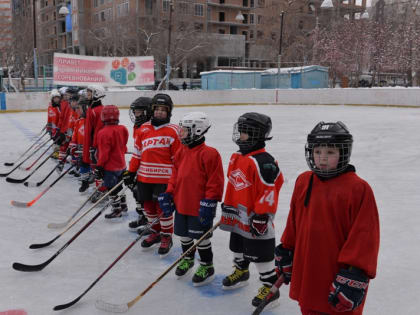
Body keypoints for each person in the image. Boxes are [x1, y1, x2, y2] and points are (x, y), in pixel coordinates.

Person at [275, 121, 380, 315]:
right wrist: (287, 248)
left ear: (344, 153)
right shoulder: (304, 181)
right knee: (308, 307)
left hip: (336, 278)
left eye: (330, 153)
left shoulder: (358, 189)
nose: (322, 159)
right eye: (317, 152)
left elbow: (365, 236)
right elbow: (294, 219)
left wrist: (355, 274)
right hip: (308, 271)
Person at [220, 112, 284, 309]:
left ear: (258, 135)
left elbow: (270, 189)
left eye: (245, 133)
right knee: (237, 247)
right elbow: (233, 184)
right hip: (237, 215)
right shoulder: (237, 156)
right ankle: (241, 272)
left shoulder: (263, 160)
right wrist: (228, 204)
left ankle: (270, 287)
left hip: (255, 219)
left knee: (260, 254)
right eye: (240, 132)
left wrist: (262, 215)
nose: (241, 136)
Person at [158, 112, 224, 286]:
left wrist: (210, 202)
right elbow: (175, 175)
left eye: (185, 131)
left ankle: (206, 266)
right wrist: (169, 193)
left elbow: (215, 182)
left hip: (199, 206)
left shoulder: (209, 154)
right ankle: (187, 259)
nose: (181, 134)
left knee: (202, 238)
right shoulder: (181, 151)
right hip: (181, 204)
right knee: (184, 236)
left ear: (198, 131)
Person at [124, 93, 181, 257]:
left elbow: (177, 161)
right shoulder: (144, 129)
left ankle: (166, 236)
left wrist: (174, 182)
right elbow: (137, 154)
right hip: (144, 177)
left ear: (169, 112)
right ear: (152, 110)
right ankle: (155, 232)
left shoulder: (174, 131)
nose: (160, 112)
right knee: (148, 208)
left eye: (164, 110)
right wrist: (131, 172)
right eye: (157, 109)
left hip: (164, 180)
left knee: (162, 209)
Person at [94, 105, 129, 218]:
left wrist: (99, 166)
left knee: (111, 189)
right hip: (122, 165)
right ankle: (123, 205)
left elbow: (104, 154)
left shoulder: (102, 132)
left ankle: (116, 209)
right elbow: (124, 146)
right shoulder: (123, 128)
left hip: (110, 167)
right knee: (119, 186)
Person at [127, 97, 153, 231]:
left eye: (138, 112)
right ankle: (143, 216)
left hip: (148, 169)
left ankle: (150, 220)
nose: (136, 115)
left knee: (144, 195)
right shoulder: (138, 125)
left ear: (147, 112)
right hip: (138, 165)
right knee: (136, 192)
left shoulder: (149, 127)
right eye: (135, 112)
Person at [79, 85, 105, 194]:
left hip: (94, 144)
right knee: (84, 161)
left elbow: (99, 130)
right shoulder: (91, 108)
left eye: (89, 93)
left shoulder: (98, 110)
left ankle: (100, 189)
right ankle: (85, 181)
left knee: (97, 166)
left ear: (96, 94)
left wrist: (94, 146)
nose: (87, 95)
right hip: (88, 142)